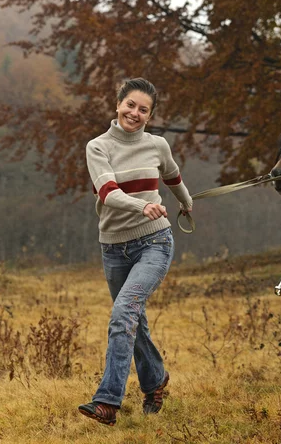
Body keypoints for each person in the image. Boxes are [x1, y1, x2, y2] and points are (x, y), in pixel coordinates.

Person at [78, 78, 192, 426]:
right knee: (132, 320)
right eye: (130, 105)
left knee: (122, 314)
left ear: (150, 115)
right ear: (118, 104)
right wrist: (140, 206)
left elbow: (172, 176)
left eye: (143, 109)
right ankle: (156, 381)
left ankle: (108, 402)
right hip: (113, 247)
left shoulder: (157, 145)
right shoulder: (97, 147)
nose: (135, 113)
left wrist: (186, 202)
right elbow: (107, 192)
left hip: (154, 242)